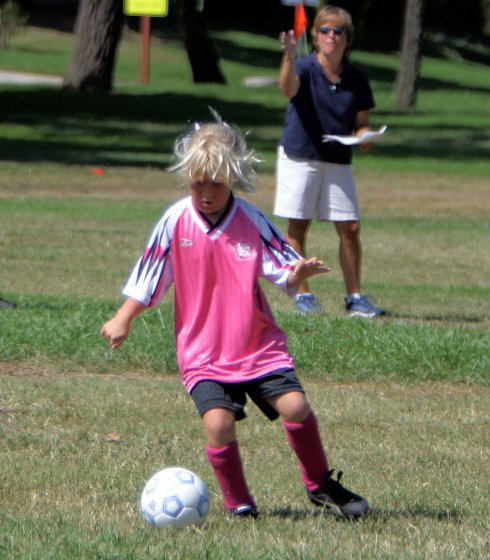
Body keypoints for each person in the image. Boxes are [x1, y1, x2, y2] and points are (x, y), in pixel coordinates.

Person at [100, 119, 369, 519]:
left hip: (258, 344)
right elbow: (150, 275)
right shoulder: (175, 222)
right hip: (203, 352)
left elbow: (283, 268)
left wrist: (299, 274)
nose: (206, 194)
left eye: (217, 184)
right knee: (219, 424)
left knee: (295, 406)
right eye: (198, 184)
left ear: (234, 179)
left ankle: (319, 486)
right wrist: (124, 317)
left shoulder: (251, 220)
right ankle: (239, 505)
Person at [275, 5, 386, 318]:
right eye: (325, 30)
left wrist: (365, 136)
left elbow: (361, 121)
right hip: (301, 155)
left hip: (338, 158)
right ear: (316, 35)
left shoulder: (356, 79)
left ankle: (355, 298)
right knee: (298, 225)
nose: (331, 36)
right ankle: (303, 295)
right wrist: (288, 55)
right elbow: (287, 88)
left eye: (338, 31)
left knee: (349, 227)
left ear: (347, 39)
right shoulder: (304, 68)